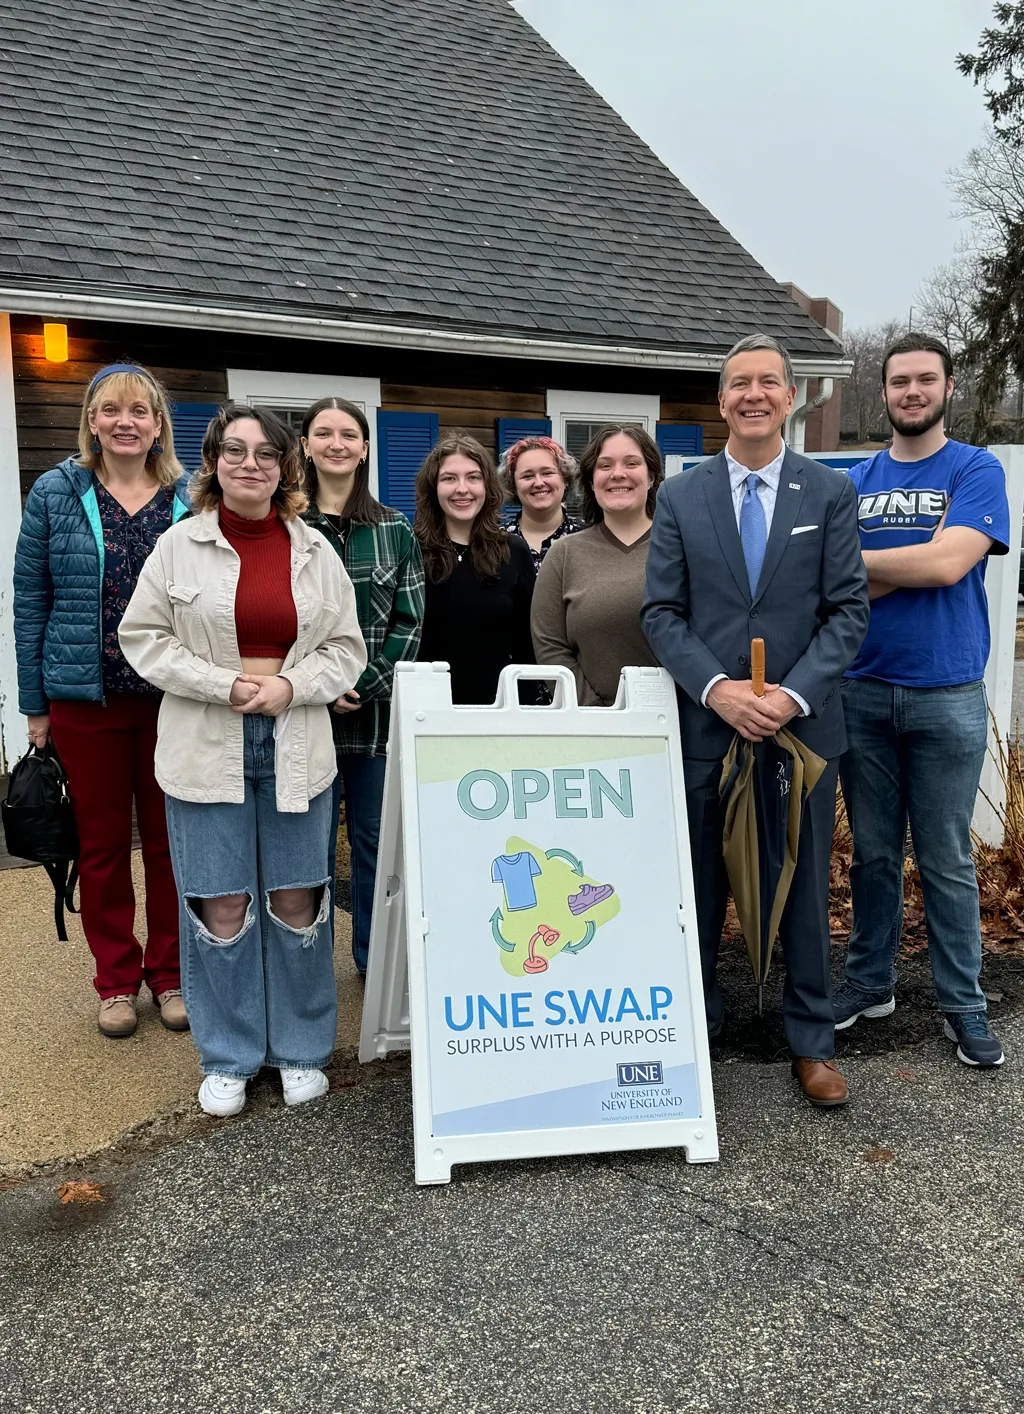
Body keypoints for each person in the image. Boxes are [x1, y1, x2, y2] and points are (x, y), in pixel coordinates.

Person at [641, 333, 869, 1108]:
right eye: (740, 383)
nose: (754, 395)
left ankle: (811, 1043)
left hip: (801, 731)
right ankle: (695, 1038)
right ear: (721, 399)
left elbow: (847, 613)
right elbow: (662, 613)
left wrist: (789, 697)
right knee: (700, 887)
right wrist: (718, 690)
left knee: (800, 886)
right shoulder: (680, 495)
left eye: (769, 382)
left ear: (791, 396)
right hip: (708, 729)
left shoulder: (827, 493)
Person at [119, 404, 366, 1117]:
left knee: (297, 902)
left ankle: (298, 1049)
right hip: (205, 740)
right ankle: (228, 1055)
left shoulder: (315, 551)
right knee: (219, 905)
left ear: (288, 467)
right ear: (213, 462)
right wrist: (224, 685)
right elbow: (145, 638)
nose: (250, 463)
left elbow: (346, 648)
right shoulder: (177, 547)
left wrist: (290, 686)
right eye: (235, 450)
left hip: (296, 741)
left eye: (265, 453)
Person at [833, 333, 1009, 1068]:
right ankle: (870, 982)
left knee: (943, 859)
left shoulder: (976, 467)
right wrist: (916, 559)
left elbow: (949, 564)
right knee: (873, 856)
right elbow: (832, 584)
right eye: (899, 380)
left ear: (946, 388)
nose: (911, 391)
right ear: (884, 390)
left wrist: (868, 564)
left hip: (947, 691)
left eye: (925, 380)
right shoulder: (854, 479)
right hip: (863, 688)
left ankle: (962, 1004)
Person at [13, 362, 191, 1039]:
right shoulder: (57, 492)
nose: (125, 421)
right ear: (92, 420)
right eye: (111, 409)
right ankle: (116, 980)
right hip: (86, 702)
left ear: (156, 425)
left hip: (175, 701)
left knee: (174, 845)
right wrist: (36, 707)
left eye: (139, 411)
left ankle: (171, 975)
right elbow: (31, 601)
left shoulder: (189, 497)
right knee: (102, 845)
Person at [300, 396, 425, 975]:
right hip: (303, 716)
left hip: (375, 717)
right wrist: (318, 686)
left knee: (375, 846)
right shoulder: (287, 528)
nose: (336, 444)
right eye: (323, 433)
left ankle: (375, 964)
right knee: (310, 847)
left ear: (365, 448)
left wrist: (366, 681)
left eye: (348, 434)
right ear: (304, 445)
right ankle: (308, 966)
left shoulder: (395, 529)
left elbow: (410, 619)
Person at [532, 425, 661, 705]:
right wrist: (596, 712)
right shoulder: (564, 555)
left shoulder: (681, 549)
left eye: (631, 463)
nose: (618, 473)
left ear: (651, 476)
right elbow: (550, 647)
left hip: (680, 724)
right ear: (591, 481)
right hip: (593, 728)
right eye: (605, 465)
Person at [414, 433, 535, 704]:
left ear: (487, 486)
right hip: (426, 707)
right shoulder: (411, 550)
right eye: (449, 478)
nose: (462, 488)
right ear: (433, 487)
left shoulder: (514, 550)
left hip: (500, 709)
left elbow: (529, 644)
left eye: (473, 477)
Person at [498, 435, 583, 570]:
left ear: (565, 479)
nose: (538, 483)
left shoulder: (589, 538)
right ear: (513, 485)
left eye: (547, 473)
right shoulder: (496, 543)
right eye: (527, 476)